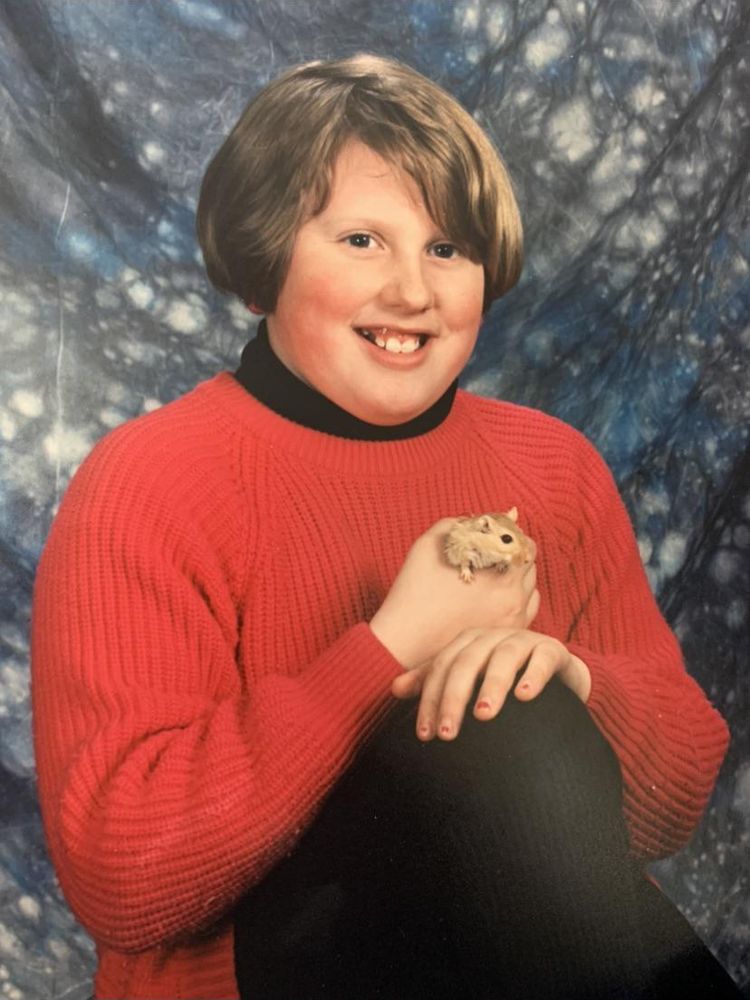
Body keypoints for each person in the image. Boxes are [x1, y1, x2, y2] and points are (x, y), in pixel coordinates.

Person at [31, 54, 736, 999]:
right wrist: (390, 647)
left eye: (447, 249)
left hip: (533, 962)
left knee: (515, 704)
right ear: (265, 264)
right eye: (362, 240)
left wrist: (570, 680)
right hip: (264, 976)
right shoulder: (148, 480)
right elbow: (125, 882)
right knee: (501, 725)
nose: (413, 291)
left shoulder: (553, 467)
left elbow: (670, 807)